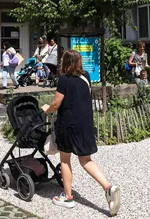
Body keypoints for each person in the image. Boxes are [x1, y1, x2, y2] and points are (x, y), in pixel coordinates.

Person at [42, 50, 121, 215]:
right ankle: (107, 187)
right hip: (85, 123)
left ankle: (68, 197)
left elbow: (56, 103)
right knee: (85, 159)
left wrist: (46, 109)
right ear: (79, 62)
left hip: (68, 124)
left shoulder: (63, 79)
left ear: (64, 63)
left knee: (65, 160)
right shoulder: (86, 76)